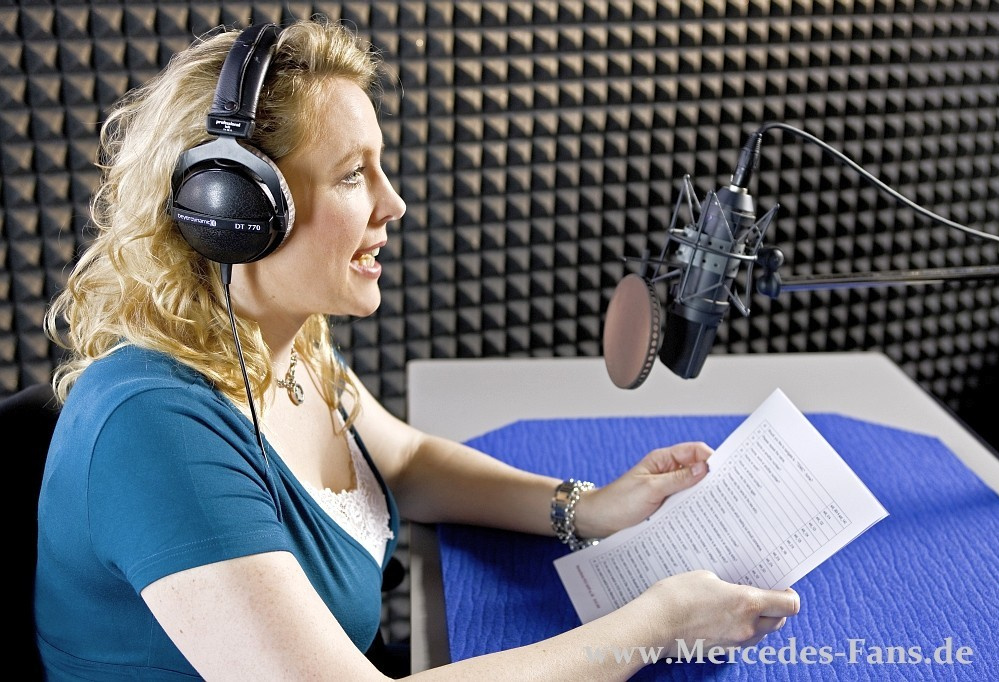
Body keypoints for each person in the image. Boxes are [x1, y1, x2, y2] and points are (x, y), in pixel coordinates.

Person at [36, 16, 799, 681]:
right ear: (235, 209)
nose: (393, 203)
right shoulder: (152, 431)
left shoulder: (283, 340)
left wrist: (587, 508)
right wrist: (658, 624)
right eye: (352, 176)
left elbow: (401, 462)